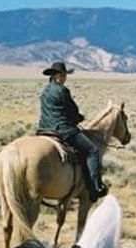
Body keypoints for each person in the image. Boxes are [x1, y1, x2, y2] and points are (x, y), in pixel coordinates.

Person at [37, 61, 108, 202]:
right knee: (92, 150)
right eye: (62, 75)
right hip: (63, 130)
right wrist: (79, 118)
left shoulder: (45, 91)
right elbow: (72, 111)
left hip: (44, 129)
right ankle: (95, 187)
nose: (64, 77)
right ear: (55, 76)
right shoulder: (62, 90)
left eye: (65, 75)